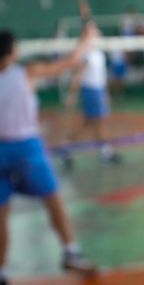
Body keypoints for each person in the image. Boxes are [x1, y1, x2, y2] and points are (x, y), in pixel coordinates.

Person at [0, 28, 98, 281]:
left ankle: (1, 272)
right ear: (13, 51)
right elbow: (69, 63)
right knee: (54, 201)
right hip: (25, 148)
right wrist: (87, 41)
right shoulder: (26, 72)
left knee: (1, 213)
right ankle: (70, 252)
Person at [63, 45, 120, 166]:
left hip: (99, 91)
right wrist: (72, 94)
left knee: (91, 122)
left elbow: (101, 75)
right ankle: (105, 152)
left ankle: (69, 147)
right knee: (98, 121)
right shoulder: (87, 53)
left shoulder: (99, 53)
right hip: (90, 91)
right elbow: (79, 73)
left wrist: (105, 92)